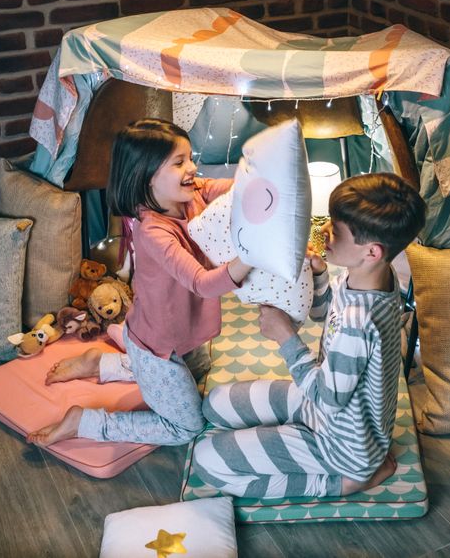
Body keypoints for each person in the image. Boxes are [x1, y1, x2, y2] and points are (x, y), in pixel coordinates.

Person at [194, 172, 426, 498]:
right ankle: (302, 440)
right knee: (215, 405)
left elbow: (328, 399)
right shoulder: (374, 277)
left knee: (208, 461)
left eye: (337, 230)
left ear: (371, 251)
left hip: (341, 444)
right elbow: (324, 315)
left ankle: (343, 483)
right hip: (326, 409)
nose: (324, 231)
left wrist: (285, 336)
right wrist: (318, 273)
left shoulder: (360, 323)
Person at [27, 119, 252, 447]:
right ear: (146, 176)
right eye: (179, 162)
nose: (192, 168)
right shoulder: (154, 232)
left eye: (190, 158)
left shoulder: (192, 194)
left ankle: (101, 363)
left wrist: (257, 179)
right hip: (153, 344)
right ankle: (84, 422)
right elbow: (203, 284)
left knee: (200, 366)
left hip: (177, 336)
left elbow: (232, 189)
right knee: (186, 427)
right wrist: (250, 256)